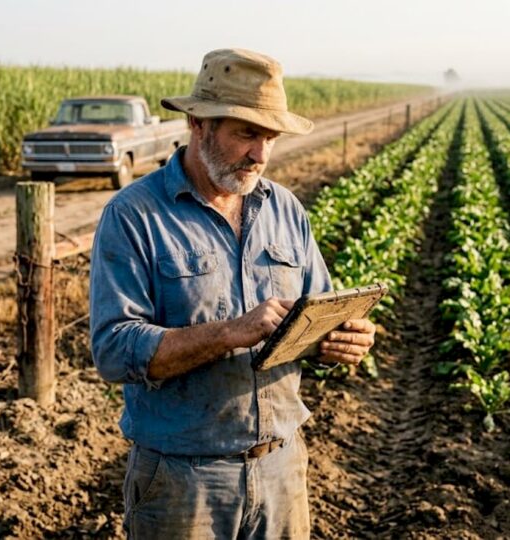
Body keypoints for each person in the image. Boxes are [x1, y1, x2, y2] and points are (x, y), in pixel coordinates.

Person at [89, 48, 376, 539]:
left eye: (269, 137)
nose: (260, 154)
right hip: (182, 482)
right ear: (199, 125)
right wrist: (230, 333)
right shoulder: (134, 216)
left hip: (281, 470)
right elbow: (114, 350)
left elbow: (316, 310)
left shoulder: (285, 209)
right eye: (246, 133)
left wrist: (341, 340)